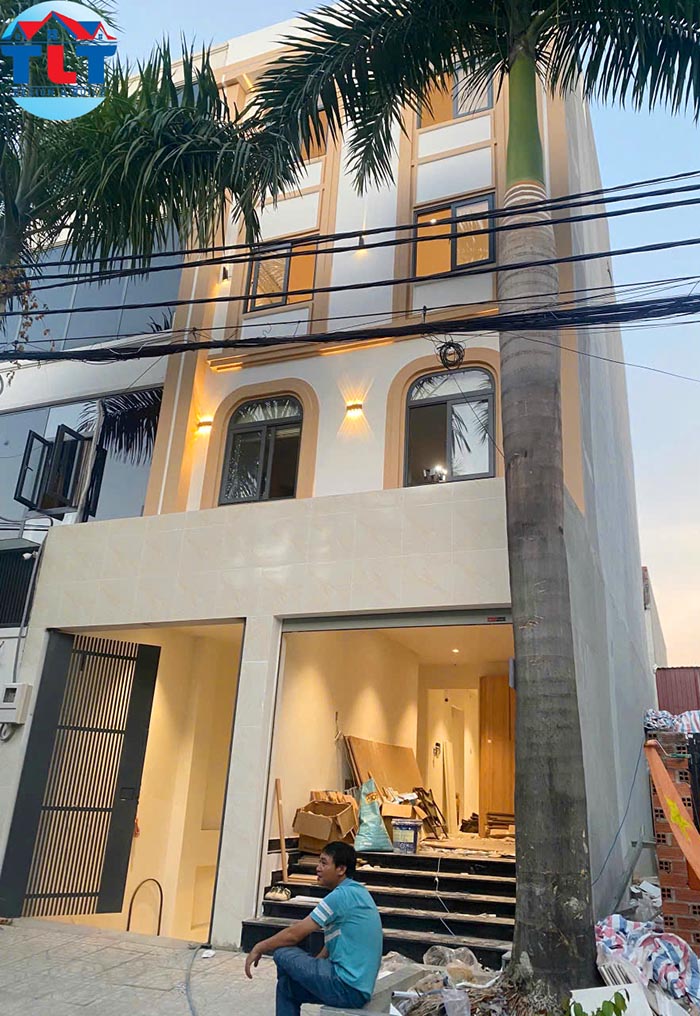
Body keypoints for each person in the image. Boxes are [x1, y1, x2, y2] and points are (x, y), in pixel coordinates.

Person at [245, 840, 383, 1016]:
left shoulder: (341, 896)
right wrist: (310, 972)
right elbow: (334, 941)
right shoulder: (358, 892)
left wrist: (259, 947)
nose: (318, 868)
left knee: (282, 953)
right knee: (287, 987)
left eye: (324, 863)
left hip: (346, 987)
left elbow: (294, 934)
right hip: (356, 989)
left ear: (341, 869)